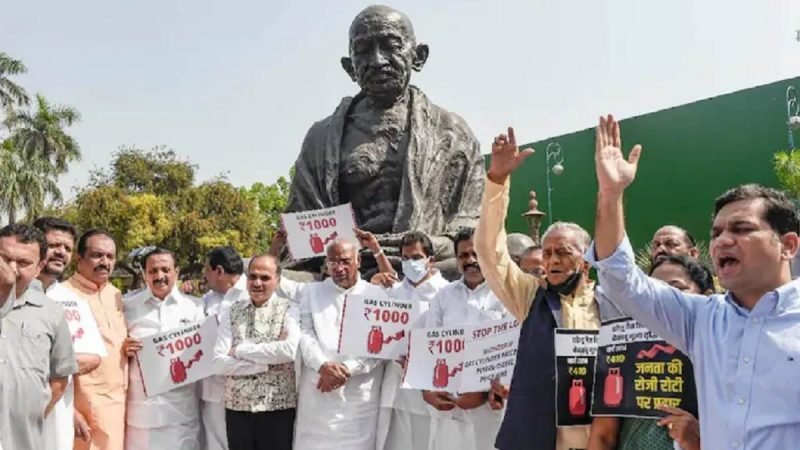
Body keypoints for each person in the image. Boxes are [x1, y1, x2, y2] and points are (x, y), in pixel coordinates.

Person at [588, 113, 800, 448]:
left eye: (741, 229)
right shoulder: (701, 318)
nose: (723, 241)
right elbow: (620, 280)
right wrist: (610, 194)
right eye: (716, 232)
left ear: (787, 245)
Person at [286, 5, 485, 272]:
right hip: (345, 269)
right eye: (364, 50)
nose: (378, 60)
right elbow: (300, 234)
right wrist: (354, 252)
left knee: (515, 253)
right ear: (350, 67)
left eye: (390, 45)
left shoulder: (452, 132)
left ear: (419, 56)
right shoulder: (321, 139)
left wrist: (421, 247)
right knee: (247, 273)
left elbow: (472, 223)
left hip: (426, 266)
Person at [474, 127, 622, 450]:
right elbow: (489, 253)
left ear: (586, 262)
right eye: (548, 253)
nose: (552, 260)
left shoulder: (609, 303)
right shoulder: (530, 297)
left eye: (563, 252)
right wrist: (497, 181)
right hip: (533, 438)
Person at [589, 224, 706, 450]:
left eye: (676, 290)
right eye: (655, 292)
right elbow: (604, 433)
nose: (665, 301)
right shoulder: (624, 343)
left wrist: (696, 440)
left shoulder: (718, 342)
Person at [423, 227, 510, 450]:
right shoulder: (443, 296)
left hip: (492, 403)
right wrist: (427, 392)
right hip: (448, 400)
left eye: (476, 254)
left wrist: (483, 392)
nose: (470, 260)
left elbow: (512, 349)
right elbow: (429, 346)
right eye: (463, 255)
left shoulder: (506, 293)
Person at [294, 239, 386, 450]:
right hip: (318, 390)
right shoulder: (312, 292)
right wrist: (322, 366)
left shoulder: (376, 296)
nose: (338, 268)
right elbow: (305, 333)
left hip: (358, 396)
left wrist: (346, 370)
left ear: (358, 261)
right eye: (332, 262)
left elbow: (379, 347)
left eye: (345, 261)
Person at [0, 224, 77, 450]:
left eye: (23, 263)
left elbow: (60, 377)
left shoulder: (51, 313)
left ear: (39, 267)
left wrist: (28, 414)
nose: (12, 269)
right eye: (4, 259)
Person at [372, 231, 449, 450]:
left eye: (416, 258)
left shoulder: (446, 292)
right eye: (405, 259)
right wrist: (372, 285)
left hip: (428, 388)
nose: (410, 263)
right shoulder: (393, 292)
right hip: (395, 386)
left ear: (430, 260)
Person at [213, 254, 300, 450]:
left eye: (265, 278)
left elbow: (287, 351)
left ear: (277, 280)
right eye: (253, 277)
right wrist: (266, 362)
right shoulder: (232, 311)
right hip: (238, 408)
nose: (257, 283)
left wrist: (240, 350)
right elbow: (219, 362)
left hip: (277, 407)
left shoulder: (290, 309)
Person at [34, 217, 104, 450]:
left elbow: (92, 357)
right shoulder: (9, 296)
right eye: (54, 245)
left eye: (67, 248)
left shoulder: (74, 302)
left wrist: (36, 367)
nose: (61, 253)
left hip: (58, 417)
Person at [123, 248, 204, 450]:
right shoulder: (127, 307)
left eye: (165, 269)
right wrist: (123, 347)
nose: (159, 276)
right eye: (153, 271)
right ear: (144, 274)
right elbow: (114, 347)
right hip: (141, 416)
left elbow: (203, 354)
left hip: (181, 413)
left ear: (176, 271)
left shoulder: (194, 308)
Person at [64, 229, 128, 450]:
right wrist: (67, 410)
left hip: (120, 405)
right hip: (82, 407)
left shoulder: (116, 295)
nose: (105, 262)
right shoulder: (62, 296)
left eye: (110, 257)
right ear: (79, 258)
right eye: (97, 255)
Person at [201, 246, 248, 450]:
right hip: (213, 388)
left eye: (207, 270)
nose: (205, 276)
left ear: (219, 271)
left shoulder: (252, 294)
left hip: (247, 386)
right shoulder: (207, 300)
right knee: (215, 442)